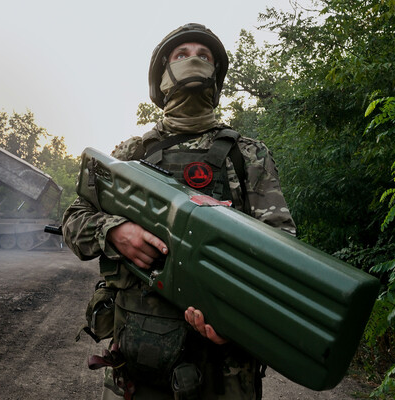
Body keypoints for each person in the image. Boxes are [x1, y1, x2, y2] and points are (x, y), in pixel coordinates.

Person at [62, 23, 296, 400]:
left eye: (204, 57)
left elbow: (282, 252)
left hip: (226, 367)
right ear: (163, 75)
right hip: (138, 362)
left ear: (215, 76)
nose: (194, 61)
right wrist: (114, 230)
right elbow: (74, 219)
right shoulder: (130, 155)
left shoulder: (248, 155)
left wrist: (239, 321)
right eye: (182, 55)